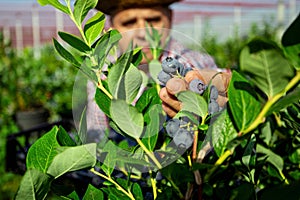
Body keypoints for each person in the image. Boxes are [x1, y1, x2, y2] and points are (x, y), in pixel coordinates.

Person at [85, 0, 231, 141]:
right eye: (129, 23)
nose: (143, 34)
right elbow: (97, 138)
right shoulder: (102, 74)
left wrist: (227, 87)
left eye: (153, 20)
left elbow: (218, 80)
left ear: (170, 18)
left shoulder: (190, 62)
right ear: (111, 27)